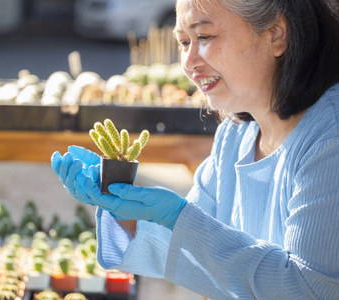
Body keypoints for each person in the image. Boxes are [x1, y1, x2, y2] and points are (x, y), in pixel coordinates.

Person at [51, 0, 339, 298]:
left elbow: (309, 289)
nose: (188, 63)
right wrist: (121, 206)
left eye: (204, 37)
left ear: (276, 34)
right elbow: (192, 251)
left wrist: (177, 217)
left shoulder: (330, 136)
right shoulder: (236, 134)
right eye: (184, 42)